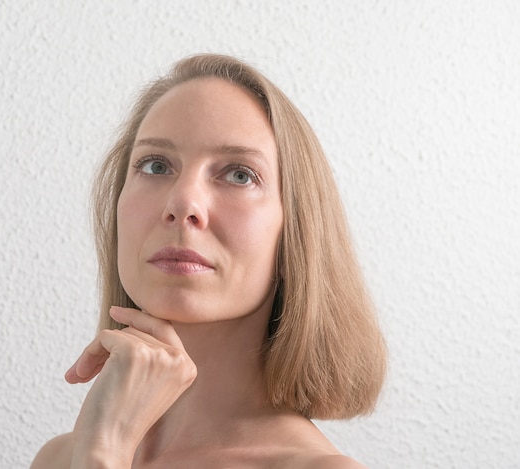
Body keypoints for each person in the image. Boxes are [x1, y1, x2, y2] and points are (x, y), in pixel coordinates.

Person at [31, 53, 386, 468]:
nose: (182, 204)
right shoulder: (58, 458)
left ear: (296, 233)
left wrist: (105, 452)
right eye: (156, 165)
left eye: (239, 174)